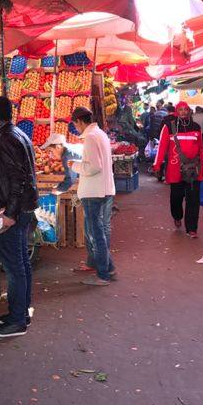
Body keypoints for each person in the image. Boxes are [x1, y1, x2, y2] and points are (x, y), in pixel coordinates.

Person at [0, 96, 38, 338]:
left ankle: (18, 320)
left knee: (15, 266)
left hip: (15, 211)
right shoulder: (19, 134)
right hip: (25, 207)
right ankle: (21, 312)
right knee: (22, 264)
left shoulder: (6, 139)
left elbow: (18, 179)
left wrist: (10, 213)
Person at [68, 107, 116, 286]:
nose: (76, 128)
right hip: (103, 189)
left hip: (93, 192)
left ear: (79, 121)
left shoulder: (90, 137)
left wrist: (75, 165)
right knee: (99, 231)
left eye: (75, 124)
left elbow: (94, 166)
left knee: (96, 234)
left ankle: (103, 275)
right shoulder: (100, 134)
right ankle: (108, 267)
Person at [154, 101, 203, 238]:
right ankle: (177, 216)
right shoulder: (168, 127)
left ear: (189, 111)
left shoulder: (195, 127)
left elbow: (201, 148)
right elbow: (162, 147)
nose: (183, 112)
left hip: (193, 169)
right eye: (180, 109)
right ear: (177, 111)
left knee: (193, 199)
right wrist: (157, 165)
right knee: (176, 197)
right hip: (174, 169)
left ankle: (192, 228)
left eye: (186, 109)